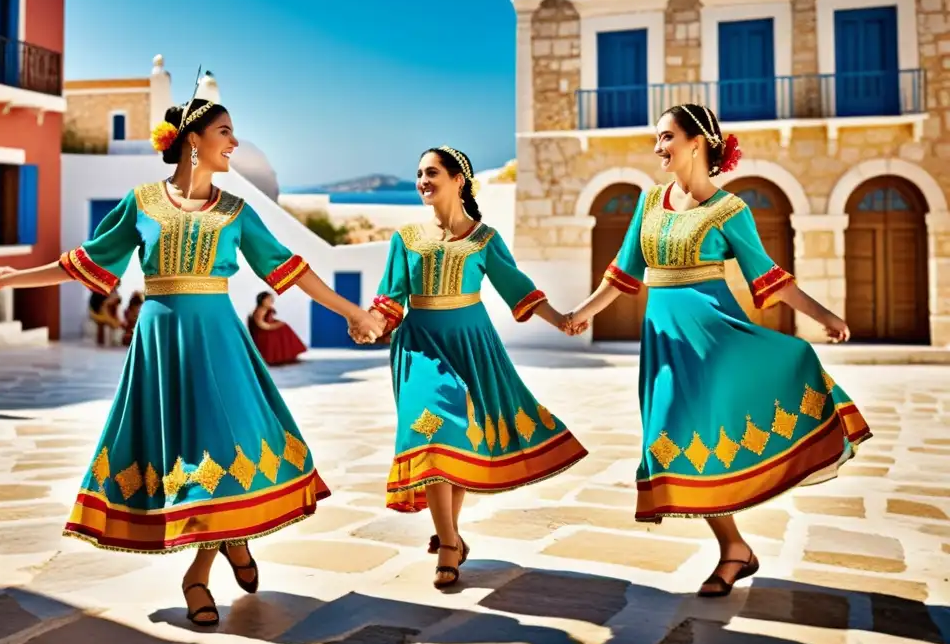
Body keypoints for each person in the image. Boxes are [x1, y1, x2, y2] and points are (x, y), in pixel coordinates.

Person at [0, 97, 380, 626]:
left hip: (219, 342)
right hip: (161, 344)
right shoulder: (142, 203)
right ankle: (231, 544)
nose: (234, 143)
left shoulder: (236, 212)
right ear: (193, 139)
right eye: (225, 132)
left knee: (224, 445)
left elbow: (288, 269)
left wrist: (352, 310)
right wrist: (16, 276)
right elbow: (88, 261)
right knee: (187, 452)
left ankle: (198, 572)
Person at [563, 104, 871, 598]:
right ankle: (736, 547)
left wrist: (825, 317)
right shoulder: (648, 203)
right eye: (656, 139)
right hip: (665, 342)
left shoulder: (730, 211)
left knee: (708, 432)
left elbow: (769, 278)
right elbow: (623, 274)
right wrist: (583, 311)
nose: (658, 147)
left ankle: (732, 552)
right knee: (668, 437)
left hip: (717, 340)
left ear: (697, 142)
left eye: (666, 137)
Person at [357, 145, 589, 590]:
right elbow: (391, 299)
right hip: (420, 347)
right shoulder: (405, 238)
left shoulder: (485, 239)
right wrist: (372, 325)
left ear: (458, 179)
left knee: (457, 436)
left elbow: (517, 288)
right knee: (435, 428)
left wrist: (560, 319)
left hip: (471, 343)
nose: (423, 181)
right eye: (418, 173)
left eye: (431, 173)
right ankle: (449, 544)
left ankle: (449, 538)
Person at [248, 291, 307, 366]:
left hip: (268, 328)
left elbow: (269, 319)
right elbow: (261, 325)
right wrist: (275, 326)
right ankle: (280, 356)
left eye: (271, 299)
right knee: (283, 330)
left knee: (284, 328)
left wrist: (277, 323)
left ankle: (287, 355)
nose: (270, 301)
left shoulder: (267, 308)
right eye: (268, 299)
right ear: (262, 300)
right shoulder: (260, 310)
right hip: (263, 333)